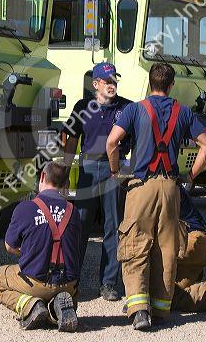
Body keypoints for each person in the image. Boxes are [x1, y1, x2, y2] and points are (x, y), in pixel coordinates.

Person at [106, 62, 206, 330]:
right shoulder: (184, 112)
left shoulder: (134, 109)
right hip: (170, 188)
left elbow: (112, 142)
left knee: (136, 245)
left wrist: (115, 169)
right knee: (166, 249)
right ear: (171, 84)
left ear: (150, 83)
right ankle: (161, 310)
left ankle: (139, 310)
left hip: (141, 185)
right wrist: (190, 176)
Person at [0, 161, 81, 333]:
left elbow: (9, 246)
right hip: (69, 285)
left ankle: (30, 305)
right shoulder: (74, 212)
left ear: (42, 177)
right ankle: (56, 307)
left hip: (34, 282)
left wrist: (30, 252)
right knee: (64, 292)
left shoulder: (25, 208)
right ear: (67, 184)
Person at [63, 62, 132, 301]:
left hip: (115, 170)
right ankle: (72, 280)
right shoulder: (82, 107)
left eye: (115, 81)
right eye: (108, 81)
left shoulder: (127, 107)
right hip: (89, 169)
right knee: (79, 225)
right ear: (96, 84)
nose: (112, 85)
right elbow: (71, 141)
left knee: (113, 227)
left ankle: (109, 284)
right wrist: (63, 172)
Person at [172, 186, 206, 312]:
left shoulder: (151, 186)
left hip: (189, 241)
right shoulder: (172, 180)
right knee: (175, 294)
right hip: (201, 242)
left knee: (161, 296)